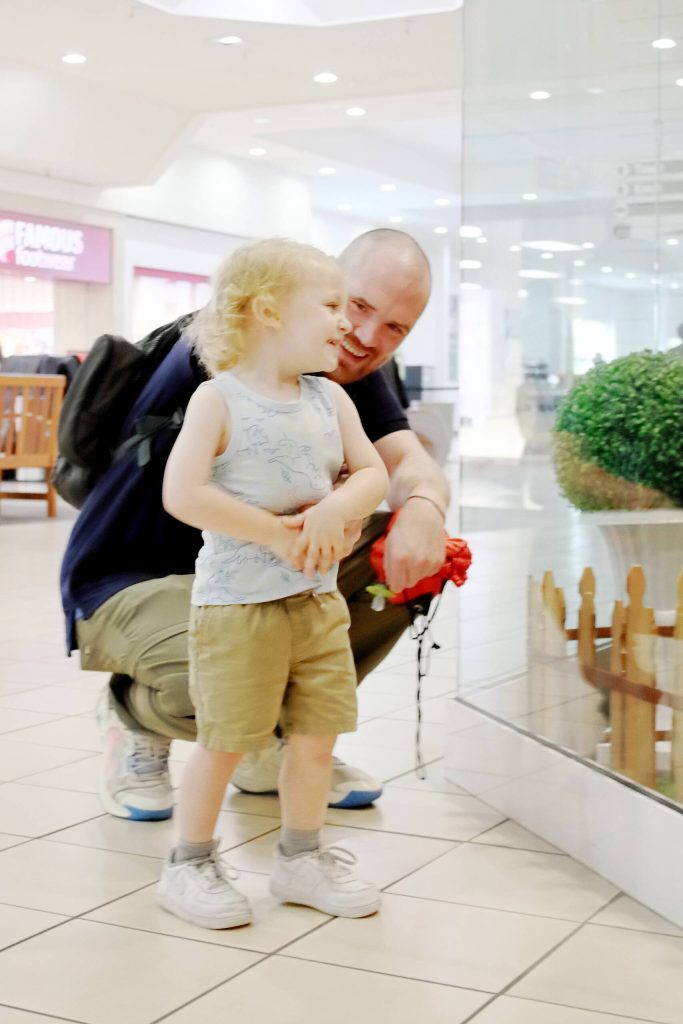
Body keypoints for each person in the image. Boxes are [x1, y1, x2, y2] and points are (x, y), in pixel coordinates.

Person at [60, 228, 450, 821]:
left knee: (415, 554)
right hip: (128, 581)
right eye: (355, 306)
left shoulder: (336, 365)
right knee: (232, 671)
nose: (366, 337)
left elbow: (404, 464)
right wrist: (309, 519)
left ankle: (282, 741)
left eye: (396, 328)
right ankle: (134, 714)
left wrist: (424, 508)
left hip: (255, 575)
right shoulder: (233, 353)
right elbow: (191, 494)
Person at [157, 238, 387, 927]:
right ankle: (190, 863)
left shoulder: (330, 400)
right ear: (266, 311)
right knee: (226, 739)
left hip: (315, 604)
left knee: (317, 738)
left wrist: (337, 508)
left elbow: (371, 472)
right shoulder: (216, 400)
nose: (346, 323)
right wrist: (281, 534)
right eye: (330, 305)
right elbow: (184, 493)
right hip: (238, 609)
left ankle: (300, 858)